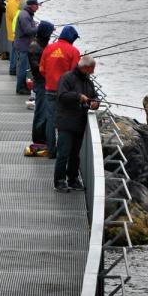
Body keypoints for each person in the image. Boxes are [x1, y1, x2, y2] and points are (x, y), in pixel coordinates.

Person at [54, 54, 99, 192]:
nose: (93, 72)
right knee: (64, 153)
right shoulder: (67, 78)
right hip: (66, 123)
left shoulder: (87, 81)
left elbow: (94, 96)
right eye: (92, 69)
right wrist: (78, 97)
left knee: (75, 154)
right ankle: (59, 181)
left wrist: (95, 103)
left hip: (79, 123)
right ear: (85, 68)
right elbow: (62, 96)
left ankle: (73, 179)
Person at [39, 25, 80, 159]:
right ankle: (64, 153)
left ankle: (51, 151)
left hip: (50, 90)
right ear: (71, 38)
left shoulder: (48, 48)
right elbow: (75, 74)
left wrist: (51, 78)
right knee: (65, 122)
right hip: (66, 93)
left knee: (51, 121)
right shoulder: (74, 51)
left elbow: (42, 70)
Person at [27, 20, 55, 146]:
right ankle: (38, 139)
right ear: (45, 34)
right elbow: (37, 68)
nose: (50, 36)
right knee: (41, 111)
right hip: (41, 83)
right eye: (49, 33)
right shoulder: (35, 47)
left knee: (43, 111)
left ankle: (42, 136)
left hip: (44, 82)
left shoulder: (41, 46)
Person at [14, 0, 39, 94]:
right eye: (37, 5)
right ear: (32, 6)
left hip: (25, 45)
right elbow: (28, 31)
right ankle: (20, 88)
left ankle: (23, 86)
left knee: (24, 67)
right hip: (23, 46)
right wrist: (39, 28)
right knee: (23, 68)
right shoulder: (25, 16)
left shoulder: (27, 14)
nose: (38, 7)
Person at [5, 0, 25, 77]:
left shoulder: (15, 2)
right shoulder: (13, 3)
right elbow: (15, 17)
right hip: (15, 32)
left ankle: (13, 68)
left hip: (15, 32)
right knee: (14, 52)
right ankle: (13, 69)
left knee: (15, 51)